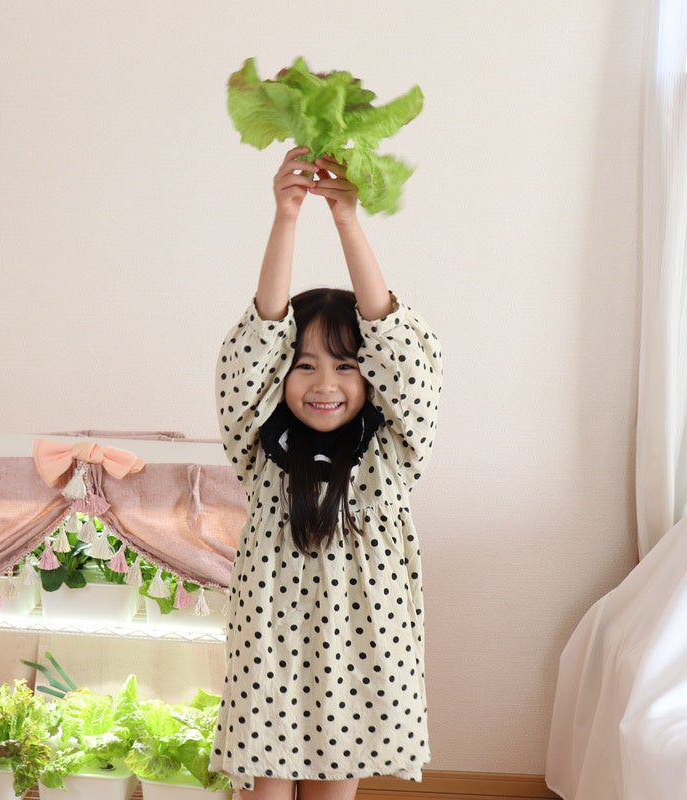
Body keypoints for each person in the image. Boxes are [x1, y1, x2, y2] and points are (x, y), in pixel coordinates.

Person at [211, 145, 443, 800]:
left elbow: (400, 350)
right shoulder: (260, 450)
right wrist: (285, 217)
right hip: (271, 652)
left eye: (346, 367)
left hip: (360, 655)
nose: (324, 384)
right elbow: (255, 345)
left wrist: (347, 221)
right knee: (266, 790)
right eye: (305, 366)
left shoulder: (391, 453)